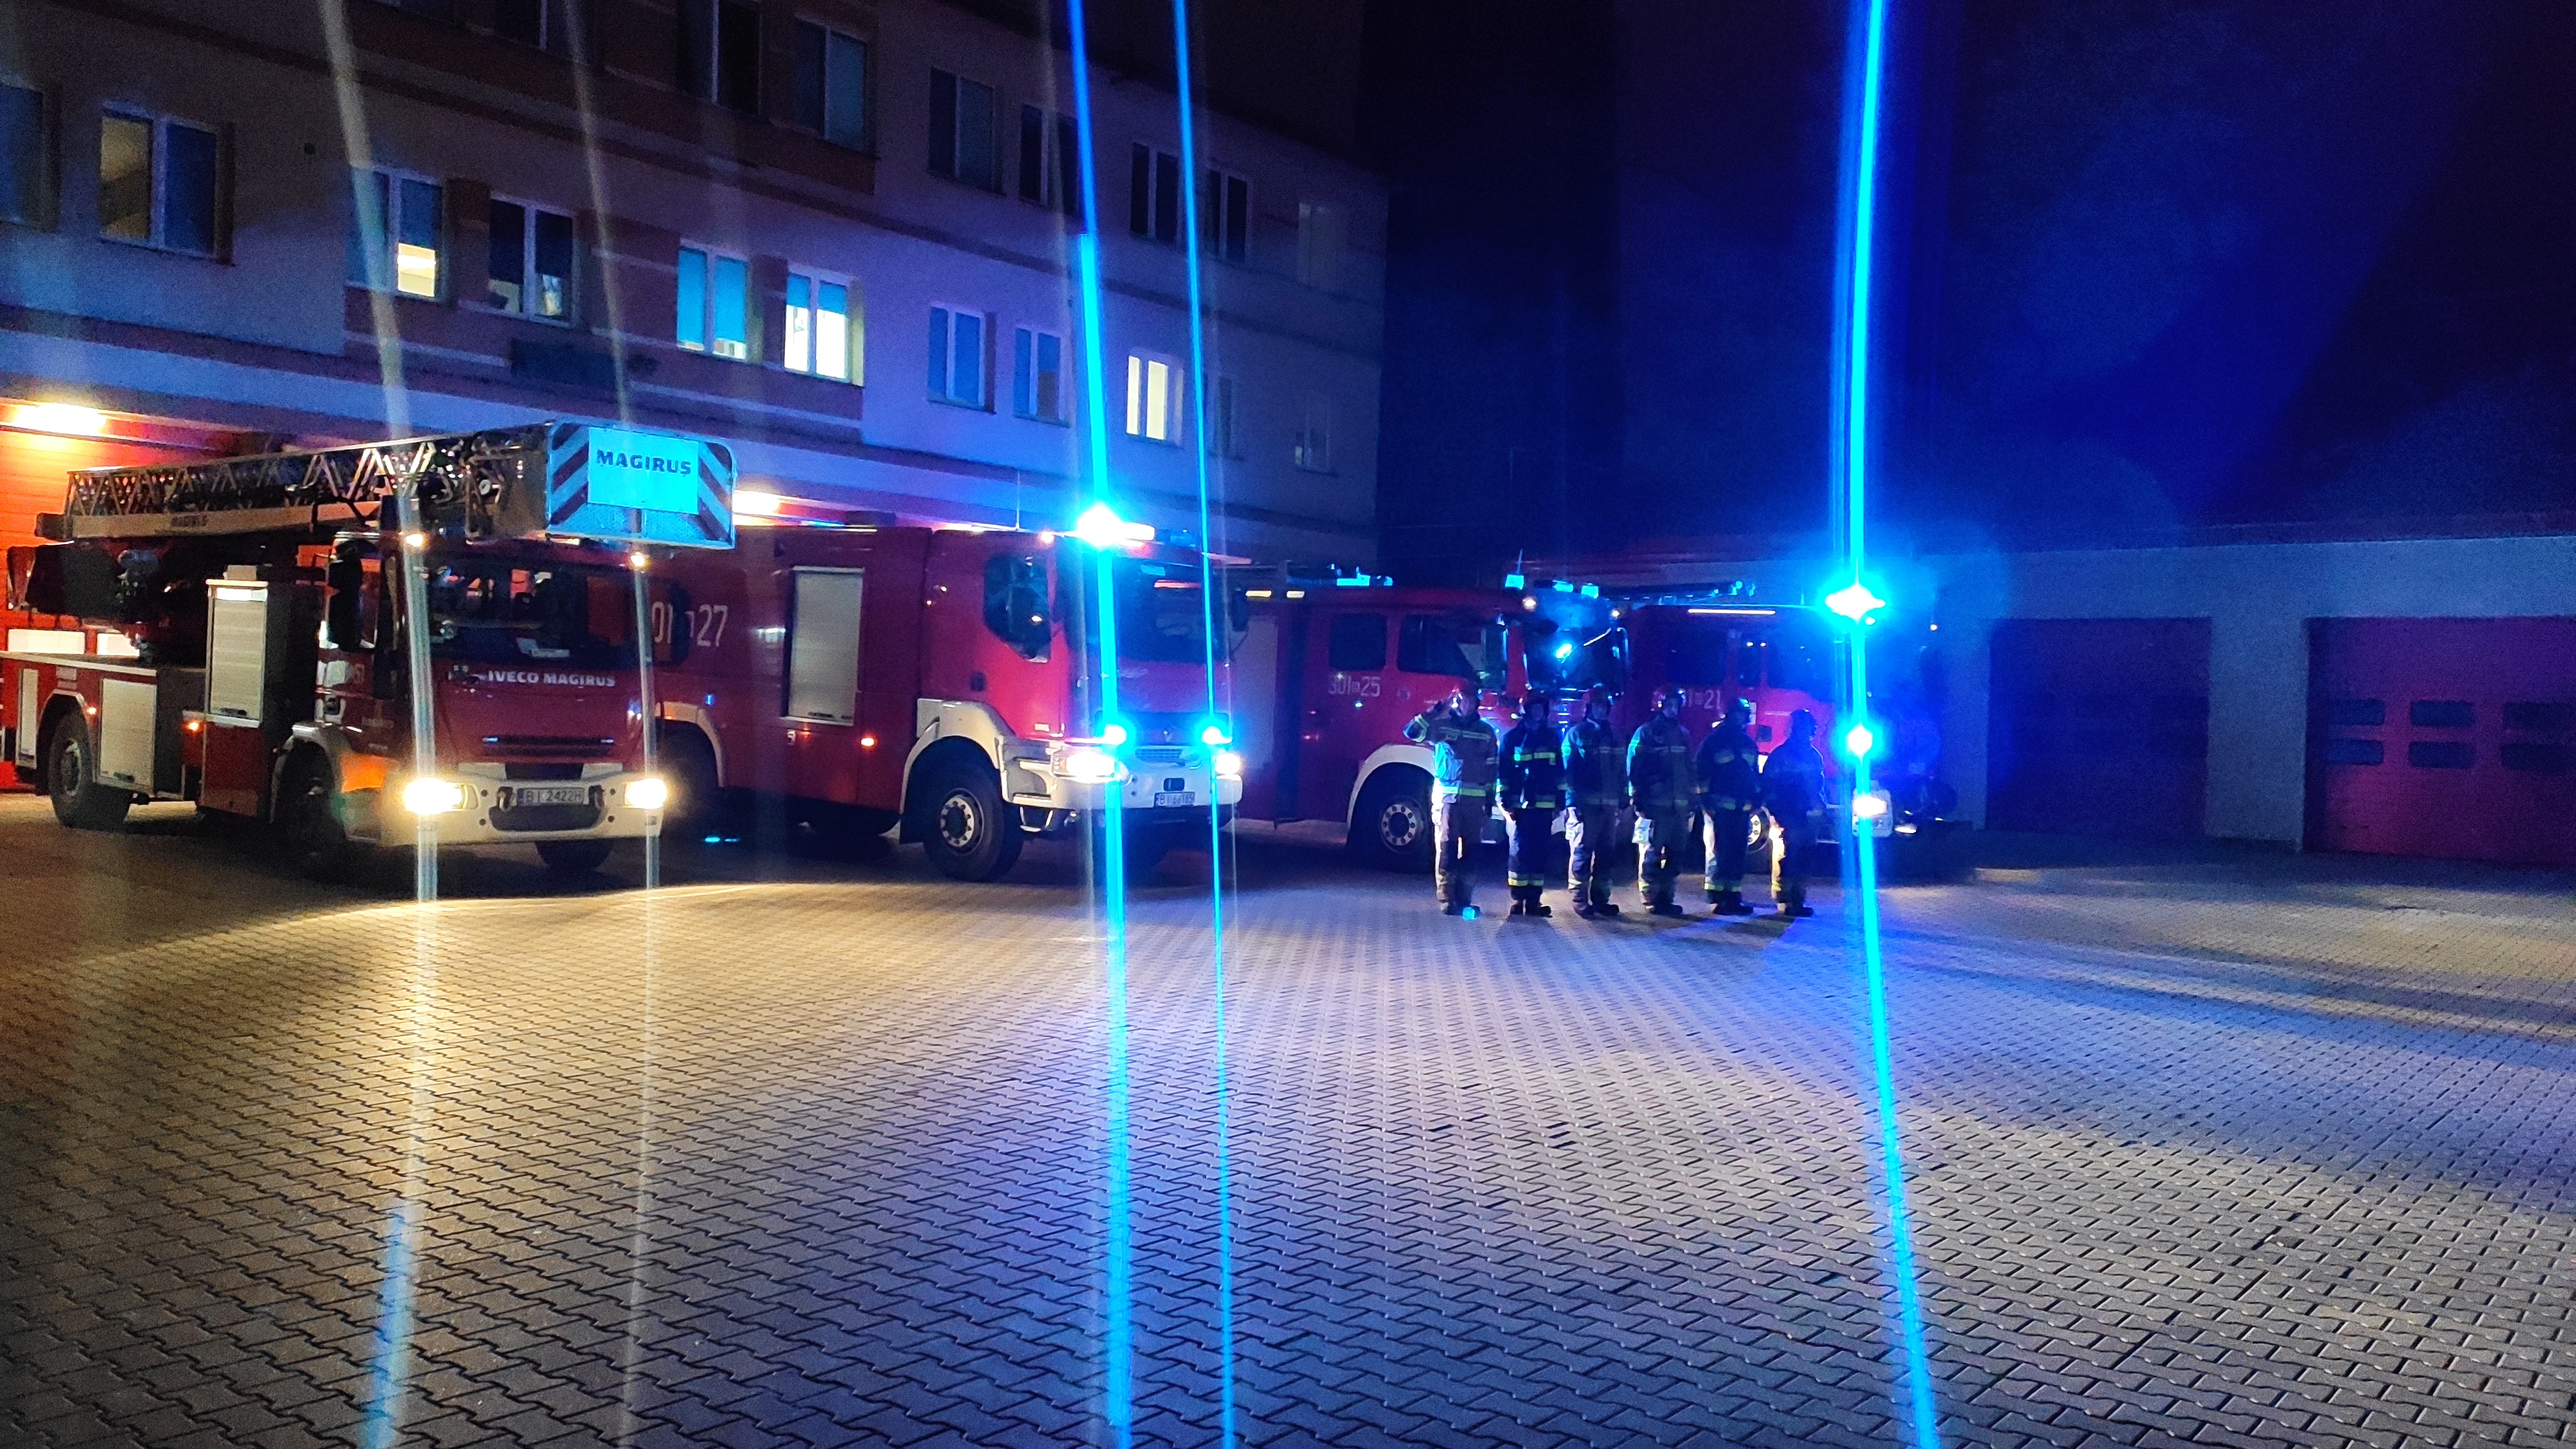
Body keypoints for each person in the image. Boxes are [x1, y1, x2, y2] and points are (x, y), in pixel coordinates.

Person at [1405, 681, 1501, 916]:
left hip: (1474, 802)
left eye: (1470, 700)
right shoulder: (1441, 726)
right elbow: (1411, 732)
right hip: (1447, 799)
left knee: (1472, 851)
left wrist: (1490, 799)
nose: (1466, 704)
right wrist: (1436, 710)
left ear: (1476, 702)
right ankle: (1447, 899)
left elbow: (1492, 768)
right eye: (1462, 699)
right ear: (1455, 701)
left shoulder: (1486, 732)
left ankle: (1465, 899)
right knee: (1447, 848)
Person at [1626, 685, 1696, 918]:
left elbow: (1689, 769)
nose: (1674, 710)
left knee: (1676, 855)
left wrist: (1692, 799)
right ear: (1660, 706)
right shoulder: (1646, 733)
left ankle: (1667, 898)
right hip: (1655, 806)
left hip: (1679, 808)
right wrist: (1637, 799)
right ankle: (1651, 899)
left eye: (1677, 706)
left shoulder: (1684, 734)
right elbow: (1634, 767)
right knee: (1651, 854)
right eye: (1670, 706)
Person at [1497, 693, 1567, 918]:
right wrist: (1505, 801)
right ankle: (1518, 901)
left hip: (1545, 806)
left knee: (1540, 853)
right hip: (1520, 807)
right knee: (1520, 852)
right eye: (1534, 708)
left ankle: (1534, 901)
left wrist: (1560, 801)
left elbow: (1559, 772)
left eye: (1541, 709)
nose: (1538, 713)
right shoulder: (1513, 738)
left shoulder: (1552, 738)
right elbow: (1504, 773)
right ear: (1525, 711)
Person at [1558, 686, 1625, 919]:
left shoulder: (1615, 736)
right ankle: (1580, 899)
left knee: (1606, 855)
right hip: (1585, 807)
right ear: (1588, 708)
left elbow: (1621, 771)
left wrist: (1623, 799)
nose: (1602, 710)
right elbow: (1567, 772)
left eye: (1605, 706)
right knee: (1582, 852)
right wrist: (1572, 803)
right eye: (1597, 705)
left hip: (1609, 807)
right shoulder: (1576, 735)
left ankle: (1601, 899)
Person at [1696, 697, 1762, 916]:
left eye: (1744, 715)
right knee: (1719, 852)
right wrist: (1706, 801)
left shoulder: (1748, 743)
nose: (1741, 719)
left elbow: (1754, 774)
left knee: (1737, 854)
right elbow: (1702, 774)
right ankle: (1716, 898)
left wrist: (1757, 799)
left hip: (1742, 809)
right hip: (1720, 808)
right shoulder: (1714, 741)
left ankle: (1733, 897)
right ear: (1728, 715)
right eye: (1738, 714)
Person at [1763, 708, 1829, 919]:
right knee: (1788, 855)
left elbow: (1818, 786)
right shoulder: (1781, 755)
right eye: (1801, 727)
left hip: (1808, 814)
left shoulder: (1814, 756)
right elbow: (1769, 786)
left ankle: (1799, 899)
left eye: (1807, 728)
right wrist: (1776, 813)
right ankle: (1784, 899)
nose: (1804, 731)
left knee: (1805, 855)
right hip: (1789, 813)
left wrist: (1821, 807)